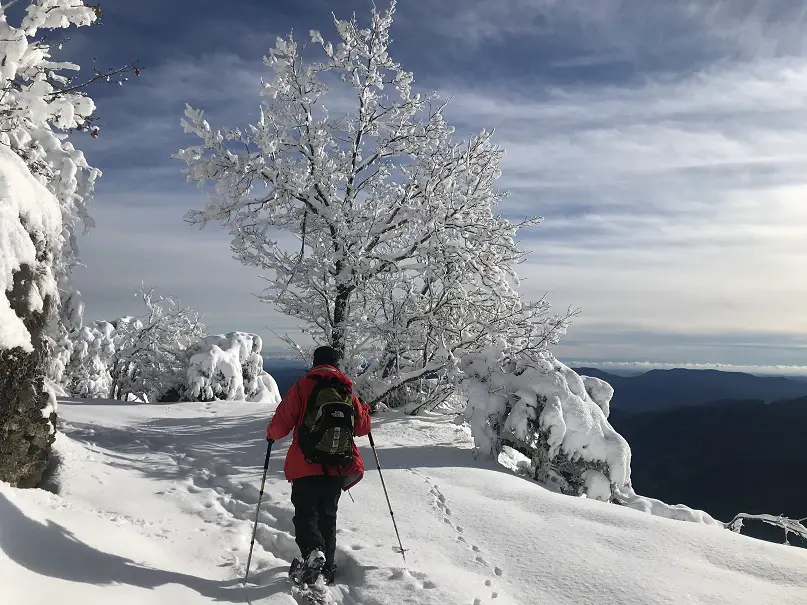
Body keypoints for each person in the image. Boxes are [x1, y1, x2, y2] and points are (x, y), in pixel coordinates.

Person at [265, 345, 372, 586]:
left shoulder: (304, 385)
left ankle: (314, 553)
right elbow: (363, 427)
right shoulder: (345, 388)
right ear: (336, 364)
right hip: (337, 465)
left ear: (315, 363)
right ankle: (327, 568)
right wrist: (363, 409)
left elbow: (282, 422)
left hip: (306, 463)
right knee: (327, 516)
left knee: (306, 514)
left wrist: (270, 434)